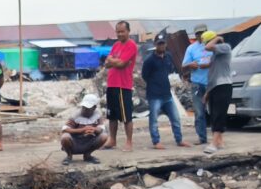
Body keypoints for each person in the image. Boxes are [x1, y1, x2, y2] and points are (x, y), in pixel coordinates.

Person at [140, 34, 185, 149]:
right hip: (154, 95)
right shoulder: (149, 60)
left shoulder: (168, 57)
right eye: (159, 43)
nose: (162, 46)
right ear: (155, 45)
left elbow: (170, 71)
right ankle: (156, 141)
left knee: (175, 118)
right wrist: (155, 84)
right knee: (154, 119)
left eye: (163, 43)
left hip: (167, 94)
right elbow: (145, 76)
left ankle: (179, 140)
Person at [103, 21, 139, 151]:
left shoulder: (131, 45)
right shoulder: (116, 45)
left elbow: (121, 64)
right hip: (111, 84)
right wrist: (114, 61)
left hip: (123, 85)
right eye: (118, 31)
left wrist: (113, 61)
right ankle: (112, 140)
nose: (119, 34)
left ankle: (129, 142)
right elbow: (107, 63)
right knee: (112, 115)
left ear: (128, 31)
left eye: (122, 31)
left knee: (126, 117)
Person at [202, 30, 233, 154]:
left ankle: (214, 143)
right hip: (215, 86)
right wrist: (207, 93)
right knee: (214, 114)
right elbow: (212, 74)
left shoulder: (225, 47)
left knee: (219, 114)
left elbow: (208, 46)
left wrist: (217, 38)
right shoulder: (215, 55)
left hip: (224, 85)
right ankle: (219, 141)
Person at [182, 24, 212, 145]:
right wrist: (190, 65)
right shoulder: (191, 48)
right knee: (199, 112)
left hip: (212, 83)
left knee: (215, 112)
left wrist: (210, 63)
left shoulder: (213, 46)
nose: (200, 35)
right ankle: (202, 138)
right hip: (197, 84)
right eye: (198, 34)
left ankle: (217, 137)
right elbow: (183, 65)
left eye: (202, 33)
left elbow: (221, 60)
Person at [60, 93, 107, 164]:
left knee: (104, 136)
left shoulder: (97, 114)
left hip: (89, 142)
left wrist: (94, 130)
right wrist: (82, 130)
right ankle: (69, 156)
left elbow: (101, 128)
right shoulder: (76, 115)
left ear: (94, 108)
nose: (85, 110)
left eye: (88, 109)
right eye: (84, 107)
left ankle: (87, 155)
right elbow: (65, 129)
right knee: (65, 137)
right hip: (75, 142)